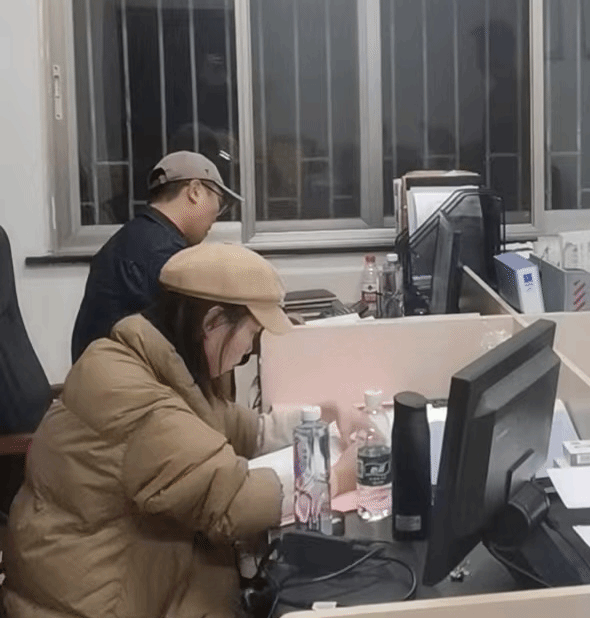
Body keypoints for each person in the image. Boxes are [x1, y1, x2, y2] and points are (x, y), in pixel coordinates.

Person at [1, 243, 354, 617]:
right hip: (85, 605)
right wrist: (337, 479)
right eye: (250, 334)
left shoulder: (144, 362)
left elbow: (229, 424)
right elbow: (232, 504)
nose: (248, 350)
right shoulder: (136, 400)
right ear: (212, 322)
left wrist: (323, 415)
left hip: (107, 580)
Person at [70, 150, 241, 363]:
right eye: (219, 201)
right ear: (195, 191)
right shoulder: (165, 256)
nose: (217, 215)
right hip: (126, 378)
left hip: (100, 373)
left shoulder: (132, 239)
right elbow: (191, 345)